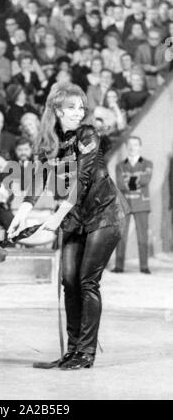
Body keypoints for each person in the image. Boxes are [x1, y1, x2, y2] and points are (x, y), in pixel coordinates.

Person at [8, 83, 129, 370]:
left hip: (104, 214)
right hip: (75, 217)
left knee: (87, 280)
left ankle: (86, 353)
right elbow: (38, 179)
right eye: (72, 107)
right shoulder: (50, 141)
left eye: (81, 107)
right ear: (57, 110)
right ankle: (72, 350)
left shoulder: (88, 134)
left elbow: (82, 180)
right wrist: (22, 213)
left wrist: (55, 217)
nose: (79, 112)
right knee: (69, 281)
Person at [113, 136, 153, 274]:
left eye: (135, 145)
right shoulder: (119, 166)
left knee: (143, 237)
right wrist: (137, 178)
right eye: (129, 145)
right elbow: (120, 183)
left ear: (140, 147)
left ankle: (144, 266)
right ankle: (119, 266)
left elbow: (146, 180)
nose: (132, 147)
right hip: (125, 204)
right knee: (121, 236)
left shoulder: (147, 163)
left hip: (142, 204)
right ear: (126, 147)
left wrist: (128, 179)